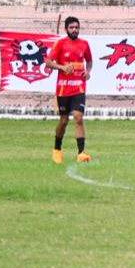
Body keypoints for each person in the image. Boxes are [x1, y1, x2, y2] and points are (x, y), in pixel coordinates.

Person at [45, 16, 94, 164]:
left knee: (78, 118)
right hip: (63, 88)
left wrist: (88, 71)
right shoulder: (60, 44)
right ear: (66, 29)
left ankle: (81, 153)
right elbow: (48, 62)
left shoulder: (84, 44)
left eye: (76, 27)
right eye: (71, 28)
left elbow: (89, 60)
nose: (74, 30)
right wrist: (62, 67)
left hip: (78, 87)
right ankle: (57, 149)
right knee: (64, 121)